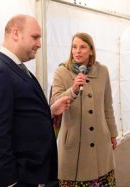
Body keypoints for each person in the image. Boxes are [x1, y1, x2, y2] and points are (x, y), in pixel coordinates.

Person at [0, 15, 58, 187]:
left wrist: (48, 112)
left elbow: (21, 115)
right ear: (15, 33)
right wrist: (10, 182)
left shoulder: (15, 67)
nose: (39, 44)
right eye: (35, 37)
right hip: (15, 179)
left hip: (31, 175)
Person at [50, 33, 118, 186]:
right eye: (74, 47)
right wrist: (73, 89)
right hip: (73, 146)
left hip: (100, 142)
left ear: (91, 50)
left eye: (82, 47)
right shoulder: (61, 72)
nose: (77, 51)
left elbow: (108, 106)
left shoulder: (103, 71)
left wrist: (113, 133)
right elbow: (55, 103)